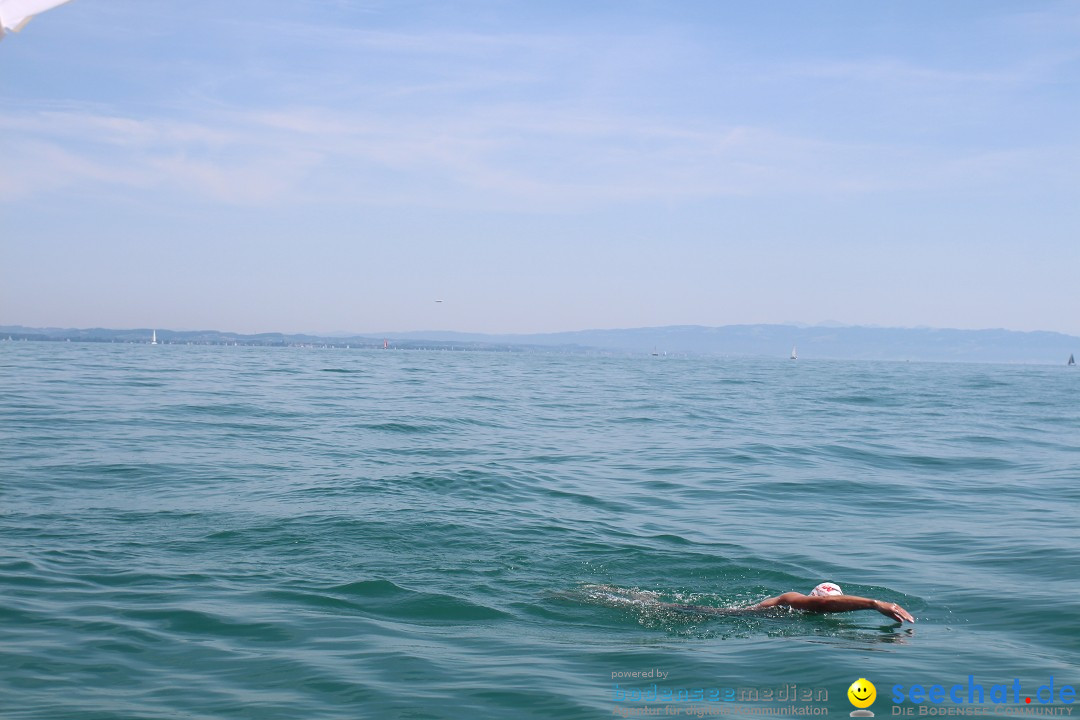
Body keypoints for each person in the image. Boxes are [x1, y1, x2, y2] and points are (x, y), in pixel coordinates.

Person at [586, 582, 915, 623]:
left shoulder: (797, 604)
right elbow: (823, 608)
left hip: (729, 616)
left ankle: (623, 594)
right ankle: (595, 594)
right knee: (654, 610)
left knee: (652, 604)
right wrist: (874, 604)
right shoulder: (793, 599)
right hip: (721, 616)